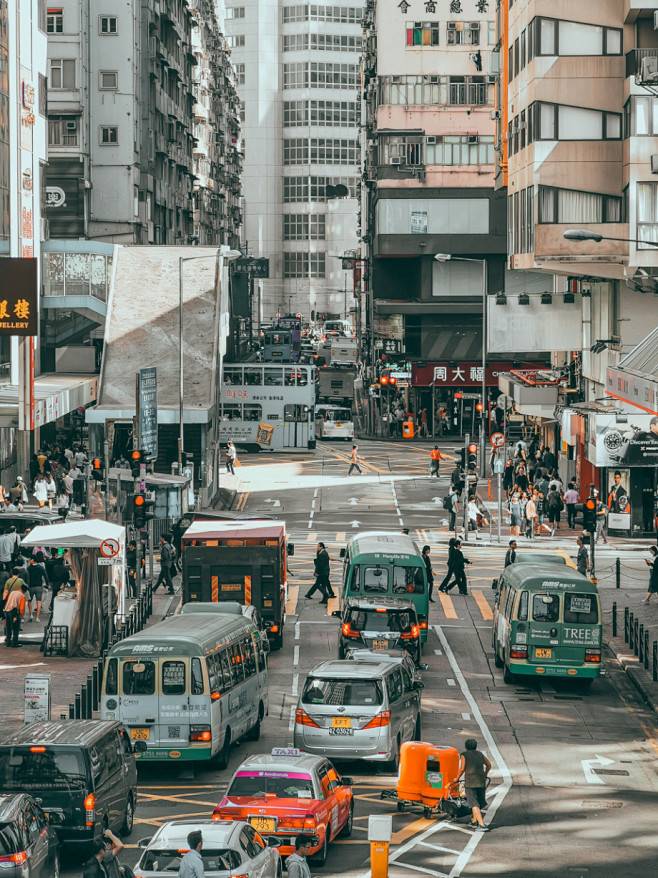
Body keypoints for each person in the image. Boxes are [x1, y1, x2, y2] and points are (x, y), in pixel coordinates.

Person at [459, 738, 491, 831]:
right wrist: (485, 774)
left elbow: (461, 769)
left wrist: (455, 779)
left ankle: (481, 824)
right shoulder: (480, 754)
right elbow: (489, 765)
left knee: (473, 803)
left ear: (466, 747)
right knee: (478, 802)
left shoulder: (464, 755)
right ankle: (474, 821)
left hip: (471, 783)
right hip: (481, 781)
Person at [4, 582, 28, 647]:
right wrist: (21, 616)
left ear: (20, 588)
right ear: (25, 591)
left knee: (8, 627)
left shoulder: (12, 592)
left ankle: (8, 642)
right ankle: (14, 643)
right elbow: (22, 608)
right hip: (14, 612)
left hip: (7, 610)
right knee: (15, 628)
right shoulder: (22, 596)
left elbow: (8, 600)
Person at [27, 557, 48, 623]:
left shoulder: (29, 568)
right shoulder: (41, 567)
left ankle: (31, 614)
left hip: (31, 587)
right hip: (39, 586)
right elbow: (45, 576)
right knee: (38, 601)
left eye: (30, 559)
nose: (29, 560)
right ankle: (37, 617)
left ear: (33, 560)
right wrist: (47, 584)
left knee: (29, 601)